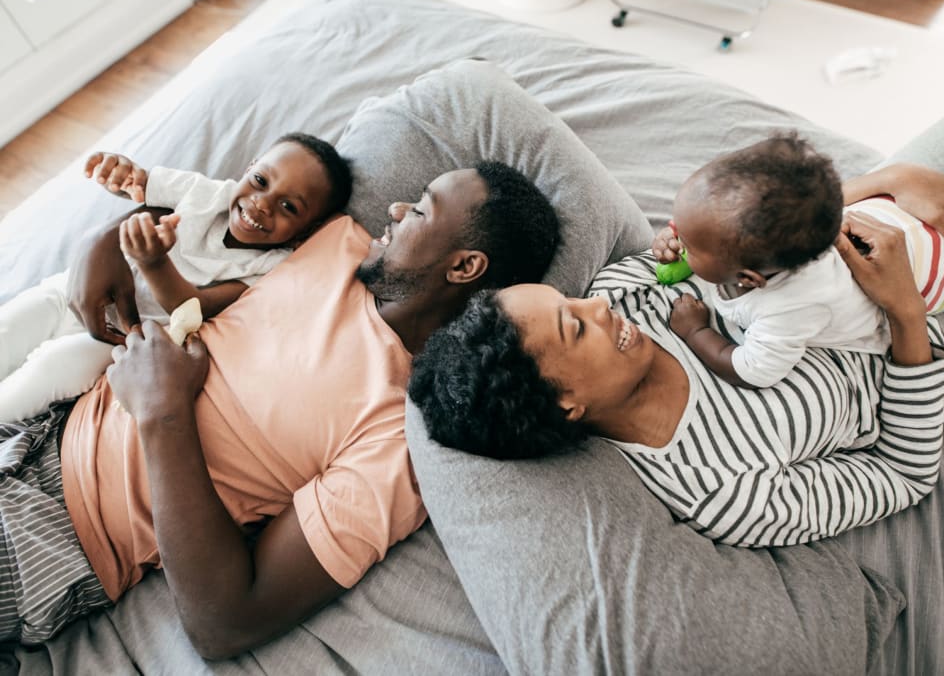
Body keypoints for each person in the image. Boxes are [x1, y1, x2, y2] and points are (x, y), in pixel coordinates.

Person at [0, 161, 560, 654]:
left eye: (420, 209)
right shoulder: (340, 242)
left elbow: (226, 624)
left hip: (54, 533)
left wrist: (163, 412)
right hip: (45, 416)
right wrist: (106, 241)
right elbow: (227, 206)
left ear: (463, 268)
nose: (394, 206)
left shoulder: (399, 436)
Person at [408, 164, 944, 548]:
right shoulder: (721, 492)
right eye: (575, 327)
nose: (597, 306)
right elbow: (904, 474)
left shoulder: (624, 295)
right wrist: (904, 313)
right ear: (566, 403)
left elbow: (744, 245)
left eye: (570, 299)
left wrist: (889, 182)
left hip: (870, 231)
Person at [0, 133, 353, 421]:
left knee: (50, 369)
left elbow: (194, 307)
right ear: (249, 168)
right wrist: (117, 172)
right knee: (11, 329)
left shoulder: (269, 268)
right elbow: (139, 184)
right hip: (67, 293)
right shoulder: (204, 192)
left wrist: (154, 263)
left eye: (289, 207)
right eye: (260, 181)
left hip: (117, 340)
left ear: (308, 230)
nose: (262, 204)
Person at [651, 133, 944, 388]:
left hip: (933, 275)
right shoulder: (788, 236)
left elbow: (752, 370)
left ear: (750, 278)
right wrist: (683, 240)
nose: (675, 235)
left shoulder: (789, 308)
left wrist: (696, 331)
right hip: (884, 215)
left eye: (689, 243)